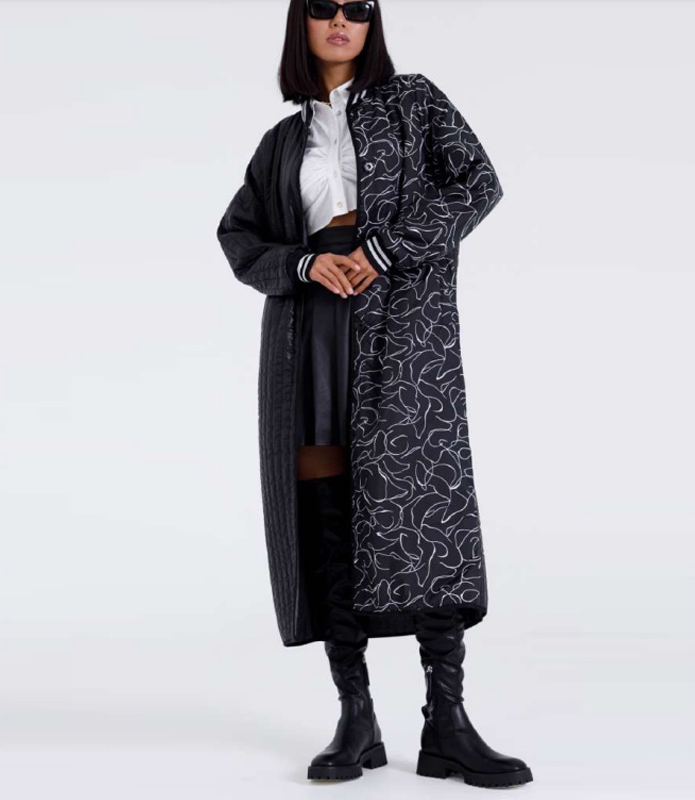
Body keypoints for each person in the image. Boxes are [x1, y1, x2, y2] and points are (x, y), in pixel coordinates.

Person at [216, 0, 533, 788]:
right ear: (301, 24)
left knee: (424, 504)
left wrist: (384, 249)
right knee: (325, 503)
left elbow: (478, 184)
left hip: (403, 332)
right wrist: (302, 263)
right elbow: (238, 236)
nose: (340, 19)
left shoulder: (413, 100)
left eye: (357, 7)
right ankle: (355, 717)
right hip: (310, 334)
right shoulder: (282, 141)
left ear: (372, 23)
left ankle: (447, 723)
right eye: (323, 7)